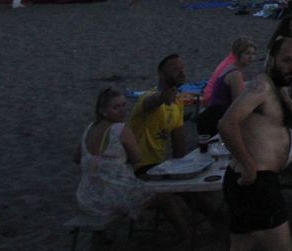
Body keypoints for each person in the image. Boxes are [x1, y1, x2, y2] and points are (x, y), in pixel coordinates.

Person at [219, 36, 292, 251]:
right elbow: (226, 124)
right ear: (272, 59)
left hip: (253, 182)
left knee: (242, 245)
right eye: (287, 61)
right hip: (255, 183)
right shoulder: (261, 86)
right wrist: (248, 165)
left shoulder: (282, 90)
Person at [74, 88, 189, 236]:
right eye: (116, 107)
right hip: (110, 196)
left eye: (123, 105)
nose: (122, 111)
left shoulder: (89, 128)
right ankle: (187, 235)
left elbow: (76, 158)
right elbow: (136, 158)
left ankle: (102, 239)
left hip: (87, 198)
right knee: (165, 199)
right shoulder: (120, 129)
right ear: (103, 111)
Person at [126, 54, 192, 172]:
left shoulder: (177, 103)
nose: (181, 73)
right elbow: (150, 102)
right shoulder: (148, 98)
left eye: (182, 68)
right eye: (175, 70)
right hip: (137, 167)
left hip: (159, 165)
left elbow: (178, 145)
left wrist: (180, 170)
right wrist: (163, 97)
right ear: (161, 73)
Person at [199, 37, 259, 135]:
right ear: (238, 54)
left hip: (214, 110)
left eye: (253, 54)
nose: (251, 57)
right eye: (247, 53)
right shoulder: (235, 74)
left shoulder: (231, 66)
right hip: (217, 116)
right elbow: (238, 104)